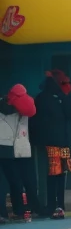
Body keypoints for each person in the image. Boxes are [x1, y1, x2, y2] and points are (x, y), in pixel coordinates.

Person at [33, 70, 71, 218]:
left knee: (57, 174)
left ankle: (56, 205)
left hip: (56, 142)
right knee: (56, 174)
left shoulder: (48, 97)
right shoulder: (48, 97)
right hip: (56, 142)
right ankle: (55, 205)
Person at [0, 82, 37, 221]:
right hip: (16, 148)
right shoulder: (24, 106)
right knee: (16, 181)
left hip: (2, 145)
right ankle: (19, 211)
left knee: (2, 183)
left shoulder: (5, 104)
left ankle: (2, 213)